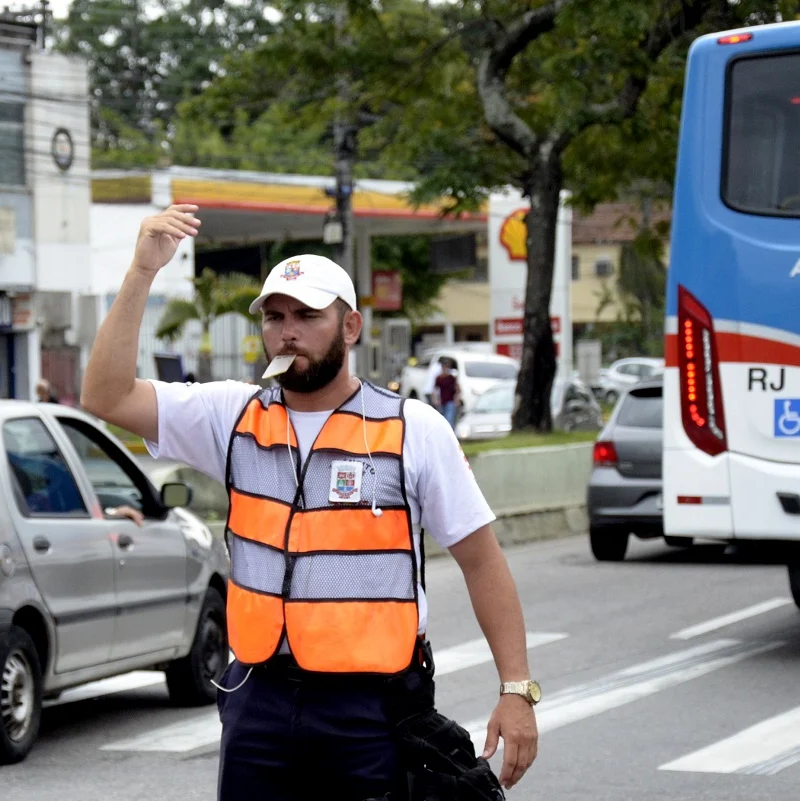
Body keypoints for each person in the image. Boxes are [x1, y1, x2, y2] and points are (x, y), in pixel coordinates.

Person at [80, 205, 539, 801]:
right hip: (259, 699)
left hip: (371, 708)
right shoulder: (233, 416)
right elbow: (105, 394)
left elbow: (482, 561)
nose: (286, 331)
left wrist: (516, 688)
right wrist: (142, 272)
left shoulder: (414, 428)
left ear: (350, 328)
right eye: (274, 317)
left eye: (306, 315)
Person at [433, 357, 461, 430]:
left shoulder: (451, 378)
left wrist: (457, 398)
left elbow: (457, 389)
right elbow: (435, 389)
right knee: (443, 419)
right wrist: (436, 399)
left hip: (450, 400)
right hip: (442, 400)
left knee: (449, 418)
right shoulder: (439, 378)